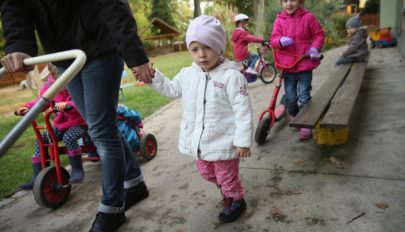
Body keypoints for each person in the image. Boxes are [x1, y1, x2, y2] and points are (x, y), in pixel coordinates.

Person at [0, 1, 154, 231]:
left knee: (101, 130)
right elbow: (14, 4)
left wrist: (135, 54)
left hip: (99, 46)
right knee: (100, 127)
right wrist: (18, 43)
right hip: (63, 56)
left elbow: (113, 5)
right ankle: (134, 183)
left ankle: (112, 208)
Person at [149, 15, 253, 223]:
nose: (202, 55)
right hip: (199, 141)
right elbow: (170, 89)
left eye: (208, 47)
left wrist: (242, 141)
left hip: (224, 140)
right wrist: (153, 76)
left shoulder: (231, 77)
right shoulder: (188, 74)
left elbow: (243, 110)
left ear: (219, 48)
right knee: (206, 173)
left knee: (226, 176)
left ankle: (236, 199)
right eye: (195, 49)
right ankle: (227, 188)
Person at [15, 63, 87, 189]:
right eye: (57, 80)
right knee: (41, 139)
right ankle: (38, 176)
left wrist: (69, 104)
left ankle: (77, 170)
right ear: (53, 76)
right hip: (61, 125)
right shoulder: (50, 87)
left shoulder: (77, 84)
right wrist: (28, 107)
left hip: (80, 123)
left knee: (69, 137)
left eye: (64, 80)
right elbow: (40, 102)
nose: (60, 84)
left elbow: (84, 100)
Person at [270, 0, 325, 140]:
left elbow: (319, 34)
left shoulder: (308, 17)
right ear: (281, 3)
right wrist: (280, 40)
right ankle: (294, 115)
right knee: (291, 99)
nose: (289, 4)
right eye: (285, 1)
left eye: (293, 0)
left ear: (300, 1)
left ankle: (305, 123)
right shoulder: (280, 20)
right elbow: (273, 39)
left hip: (304, 62)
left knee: (304, 96)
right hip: (288, 65)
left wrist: (315, 48)